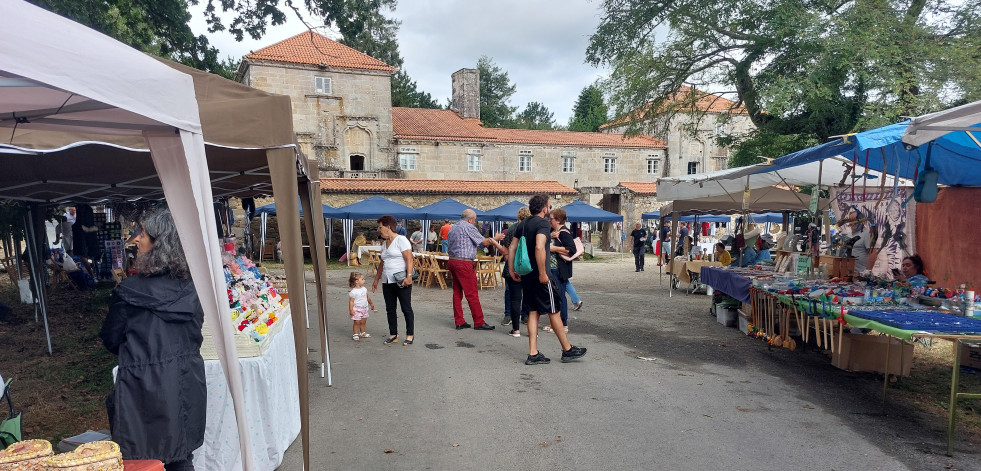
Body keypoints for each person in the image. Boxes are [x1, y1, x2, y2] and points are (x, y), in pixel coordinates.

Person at [98, 208, 205, 470]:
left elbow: (112, 339)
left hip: (144, 390)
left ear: (161, 243)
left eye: (143, 234)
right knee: (180, 457)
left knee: (144, 460)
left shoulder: (128, 292)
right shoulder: (194, 287)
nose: (136, 239)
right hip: (185, 382)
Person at [508, 194, 587, 365]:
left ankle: (533, 353)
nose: (549, 209)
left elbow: (513, 247)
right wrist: (543, 273)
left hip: (527, 274)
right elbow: (539, 246)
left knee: (533, 312)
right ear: (544, 208)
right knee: (554, 310)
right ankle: (567, 349)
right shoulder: (543, 223)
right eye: (549, 206)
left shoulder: (523, 224)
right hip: (540, 275)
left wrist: (511, 269)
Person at [447, 209, 506, 330]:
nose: (474, 222)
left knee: (457, 292)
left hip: (453, 260)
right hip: (464, 262)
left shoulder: (453, 227)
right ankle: (479, 321)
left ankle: (459, 321)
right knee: (472, 293)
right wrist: (496, 238)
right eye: (474, 220)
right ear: (469, 220)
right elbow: (484, 242)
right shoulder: (468, 227)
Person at [371, 215, 415, 346]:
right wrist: (376, 280)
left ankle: (410, 334)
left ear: (388, 227)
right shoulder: (384, 244)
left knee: (406, 308)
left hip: (401, 280)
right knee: (390, 308)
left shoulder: (401, 240)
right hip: (387, 280)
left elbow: (409, 259)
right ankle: (393, 333)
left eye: (380, 227)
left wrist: (409, 276)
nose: (379, 230)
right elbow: (382, 263)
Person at [501, 207, 532, 334]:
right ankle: (528, 323)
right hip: (529, 267)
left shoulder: (512, 230)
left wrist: (509, 261)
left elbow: (505, 249)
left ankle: (515, 328)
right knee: (529, 297)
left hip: (513, 267)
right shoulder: (533, 230)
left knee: (514, 297)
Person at [546, 208, 577, 333]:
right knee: (554, 297)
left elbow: (571, 249)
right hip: (553, 269)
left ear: (558, 220)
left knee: (560, 297)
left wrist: (554, 249)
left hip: (559, 269)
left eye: (551, 218)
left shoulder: (564, 233)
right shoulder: (554, 231)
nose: (549, 221)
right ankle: (555, 324)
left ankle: (563, 324)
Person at [348, 272, 374, 341]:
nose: (364, 280)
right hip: (357, 309)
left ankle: (362, 332)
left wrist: (371, 303)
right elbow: (351, 301)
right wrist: (351, 310)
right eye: (362, 279)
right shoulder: (353, 292)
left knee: (363, 321)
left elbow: (367, 297)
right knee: (357, 322)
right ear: (357, 281)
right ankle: (355, 334)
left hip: (364, 308)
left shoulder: (364, 289)